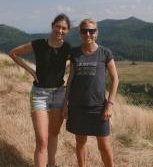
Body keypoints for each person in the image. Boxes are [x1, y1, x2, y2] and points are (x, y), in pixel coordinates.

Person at [9, 13, 71, 167]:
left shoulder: (68, 48)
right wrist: (31, 71)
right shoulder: (39, 44)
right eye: (58, 26)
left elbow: (78, 62)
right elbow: (14, 53)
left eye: (64, 28)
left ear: (68, 31)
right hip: (39, 95)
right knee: (42, 139)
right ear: (52, 26)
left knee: (54, 134)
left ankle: (51, 163)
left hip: (59, 94)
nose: (60, 30)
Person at [64, 18, 119, 167]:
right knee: (80, 142)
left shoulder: (105, 52)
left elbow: (115, 79)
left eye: (91, 30)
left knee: (104, 145)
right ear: (80, 33)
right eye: (84, 31)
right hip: (77, 106)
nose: (88, 34)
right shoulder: (74, 53)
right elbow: (70, 79)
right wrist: (65, 104)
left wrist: (110, 105)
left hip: (99, 107)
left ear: (97, 33)